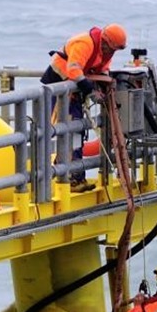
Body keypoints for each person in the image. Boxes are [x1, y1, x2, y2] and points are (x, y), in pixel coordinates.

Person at [40, 23, 128, 193]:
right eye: (111, 48)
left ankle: (76, 176)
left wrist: (103, 82)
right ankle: (67, 176)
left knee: (76, 131)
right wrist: (90, 90)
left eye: (114, 50)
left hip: (72, 91)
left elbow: (103, 68)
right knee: (65, 129)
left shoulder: (105, 51)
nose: (111, 52)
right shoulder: (85, 43)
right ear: (104, 41)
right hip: (58, 86)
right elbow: (73, 69)